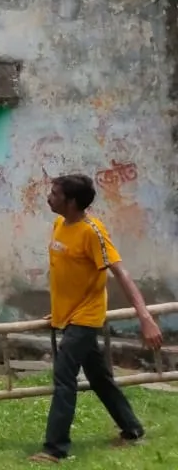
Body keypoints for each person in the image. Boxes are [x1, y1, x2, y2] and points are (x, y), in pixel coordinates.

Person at [29, 174, 162, 464]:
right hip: (70, 315)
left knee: (64, 377)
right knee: (100, 378)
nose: (49, 197)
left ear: (72, 202)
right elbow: (69, 272)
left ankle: (55, 449)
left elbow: (121, 273)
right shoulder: (59, 225)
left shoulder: (93, 232)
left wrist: (145, 316)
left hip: (86, 318)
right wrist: (61, 308)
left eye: (55, 193)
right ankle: (132, 429)